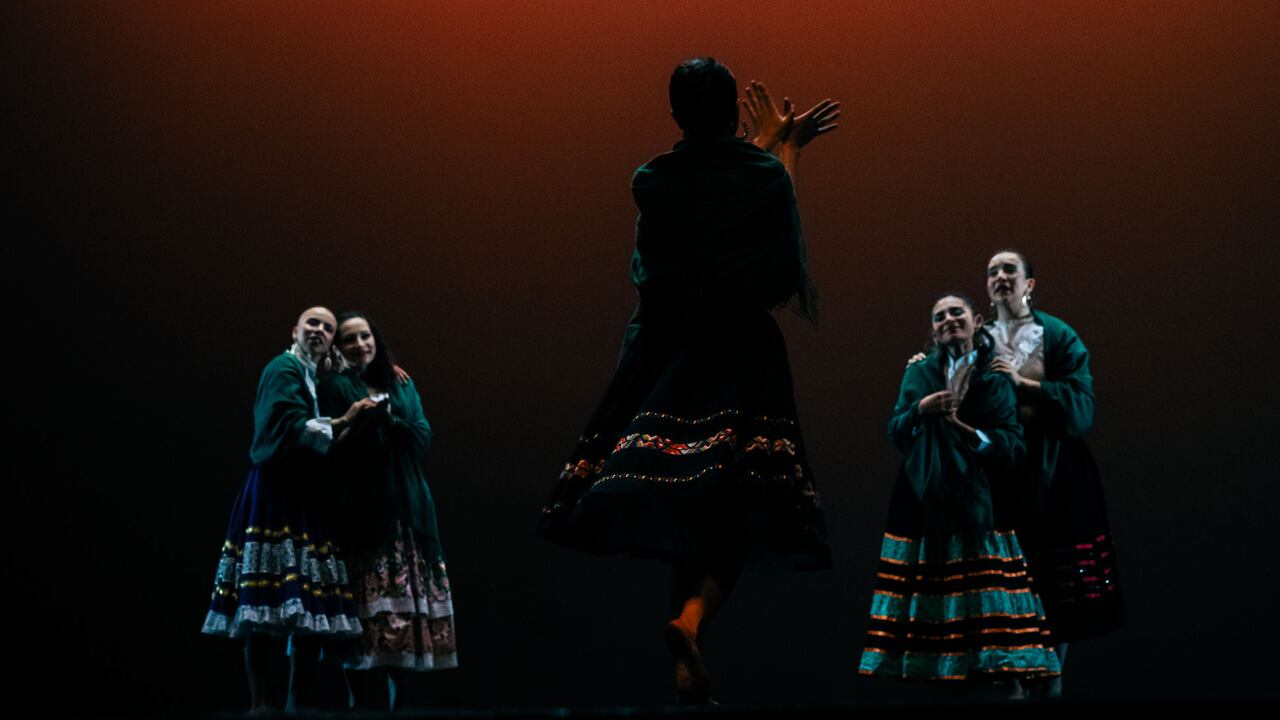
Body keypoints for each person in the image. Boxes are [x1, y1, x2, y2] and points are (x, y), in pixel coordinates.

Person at [536, 58, 839, 704]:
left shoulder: (653, 180)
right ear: (732, 110)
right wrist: (782, 150)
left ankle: (688, 637)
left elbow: (662, 263)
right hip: (737, 353)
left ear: (675, 115)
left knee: (686, 499)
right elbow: (778, 259)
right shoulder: (758, 175)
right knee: (735, 499)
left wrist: (762, 150)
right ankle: (691, 622)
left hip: (670, 352)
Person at [859, 293, 1060, 691]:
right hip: (924, 498)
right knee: (930, 594)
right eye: (939, 316)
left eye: (957, 312)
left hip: (977, 501)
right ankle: (941, 682)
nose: (949, 319)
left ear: (977, 320)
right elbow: (895, 431)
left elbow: (1012, 444)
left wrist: (965, 431)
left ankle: (1005, 680)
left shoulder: (994, 379)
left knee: (985, 596)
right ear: (932, 331)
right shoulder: (918, 375)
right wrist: (921, 409)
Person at [203, 306, 378, 713]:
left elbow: (346, 384)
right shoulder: (283, 369)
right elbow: (286, 425)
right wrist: (346, 418)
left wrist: (383, 372)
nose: (318, 329)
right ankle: (262, 705)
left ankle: (297, 704)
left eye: (327, 327)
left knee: (308, 603)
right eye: (311, 322)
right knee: (264, 603)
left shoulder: (316, 376)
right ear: (295, 330)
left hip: (305, 495)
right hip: (276, 492)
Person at [984, 250, 1123, 696]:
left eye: (1011, 269)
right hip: (1000, 475)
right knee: (1004, 579)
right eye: (993, 271)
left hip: (1056, 474)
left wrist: (1027, 386)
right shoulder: (977, 339)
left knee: (1057, 580)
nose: (1001, 276)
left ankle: (1051, 675)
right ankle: (1013, 678)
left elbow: (1082, 407)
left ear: (1030, 284)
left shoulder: (1058, 336)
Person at [318, 312, 458, 710]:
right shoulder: (333, 386)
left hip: (406, 507)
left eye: (366, 336)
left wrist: (389, 419)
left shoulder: (399, 382)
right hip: (361, 510)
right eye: (350, 339)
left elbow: (421, 436)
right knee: (364, 617)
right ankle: (359, 707)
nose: (360, 344)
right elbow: (331, 443)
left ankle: (402, 708)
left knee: (406, 614)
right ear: (338, 348)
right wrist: (359, 420)